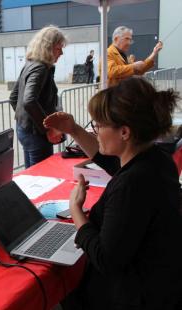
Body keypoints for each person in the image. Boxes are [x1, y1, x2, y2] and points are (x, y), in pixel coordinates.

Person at [43, 77, 182, 310]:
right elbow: (111, 162)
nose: (95, 131)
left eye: (98, 125)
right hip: (162, 284)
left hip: (130, 296)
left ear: (125, 132)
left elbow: (105, 259)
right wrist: (74, 130)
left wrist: (76, 210)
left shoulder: (132, 185)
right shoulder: (156, 160)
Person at [9, 25, 65, 168]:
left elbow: (14, 97)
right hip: (35, 135)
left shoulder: (31, 64)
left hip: (25, 130)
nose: (62, 53)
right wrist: (48, 129)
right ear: (48, 47)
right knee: (41, 178)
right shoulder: (40, 68)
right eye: (59, 48)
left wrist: (26, 120)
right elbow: (28, 101)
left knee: (31, 176)